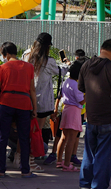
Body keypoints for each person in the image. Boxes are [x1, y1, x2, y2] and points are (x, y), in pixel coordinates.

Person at [78, 38, 111, 189]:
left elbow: (81, 87)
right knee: (105, 158)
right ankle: (98, 186)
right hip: (110, 119)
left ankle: (85, 184)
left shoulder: (86, 65)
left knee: (89, 155)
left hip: (92, 118)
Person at [0, 41, 38, 179]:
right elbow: (32, 90)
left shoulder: (1, 68)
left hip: (6, 103)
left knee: (2, 137)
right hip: (24, 103)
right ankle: (25, 170)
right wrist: (35, 108)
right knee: (24, 138)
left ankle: (1, 170)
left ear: (5, 54)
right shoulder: (29, 67)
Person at [23, 32, 66, 165]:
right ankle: (31, 159)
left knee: (25, 129)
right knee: (37, 131)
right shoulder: (49, 61)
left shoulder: (26, 55)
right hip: (41, 102)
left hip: (27, 99)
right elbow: (61, 72)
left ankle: (21, 155)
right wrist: (67, 64)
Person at [56, 60, 84, 171]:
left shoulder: (67, 82)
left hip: (66, 109)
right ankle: (67, 164)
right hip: (74, 111)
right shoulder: (76, 85)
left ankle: (59, 161)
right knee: (72, 139)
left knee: (63, 137)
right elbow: (81, 101)